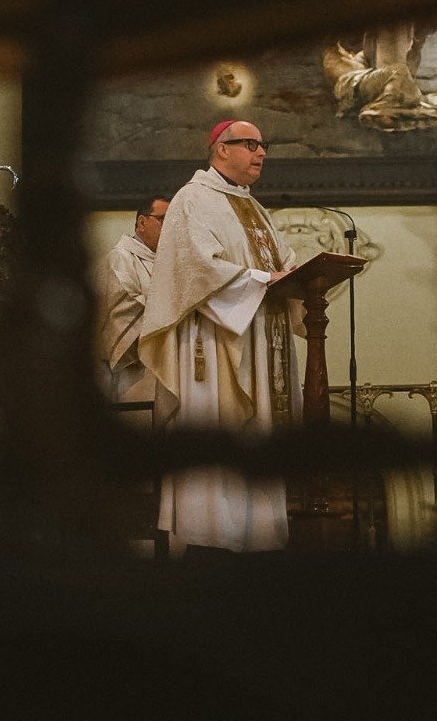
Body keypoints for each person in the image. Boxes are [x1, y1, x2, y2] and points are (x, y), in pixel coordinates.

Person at [138, 119, 302, 553]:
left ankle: (258, 538)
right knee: (219, 434)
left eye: (263, 144)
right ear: (220, 149)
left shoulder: (253, 206)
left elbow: (284, 264)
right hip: (214, 346)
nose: (261, 152)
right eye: (250, 144)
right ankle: (213, 539)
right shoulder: (193, 200)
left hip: (260, 339)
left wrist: (299, 277)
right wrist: (264, 279)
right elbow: (196, 269)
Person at [95, 197, 170, 404]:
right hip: (133, 370)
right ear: (142, 223)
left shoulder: (166, 262)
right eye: (163, 219)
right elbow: (125, 306)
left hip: (163, 366)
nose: (170, 227)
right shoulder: (120, 258)